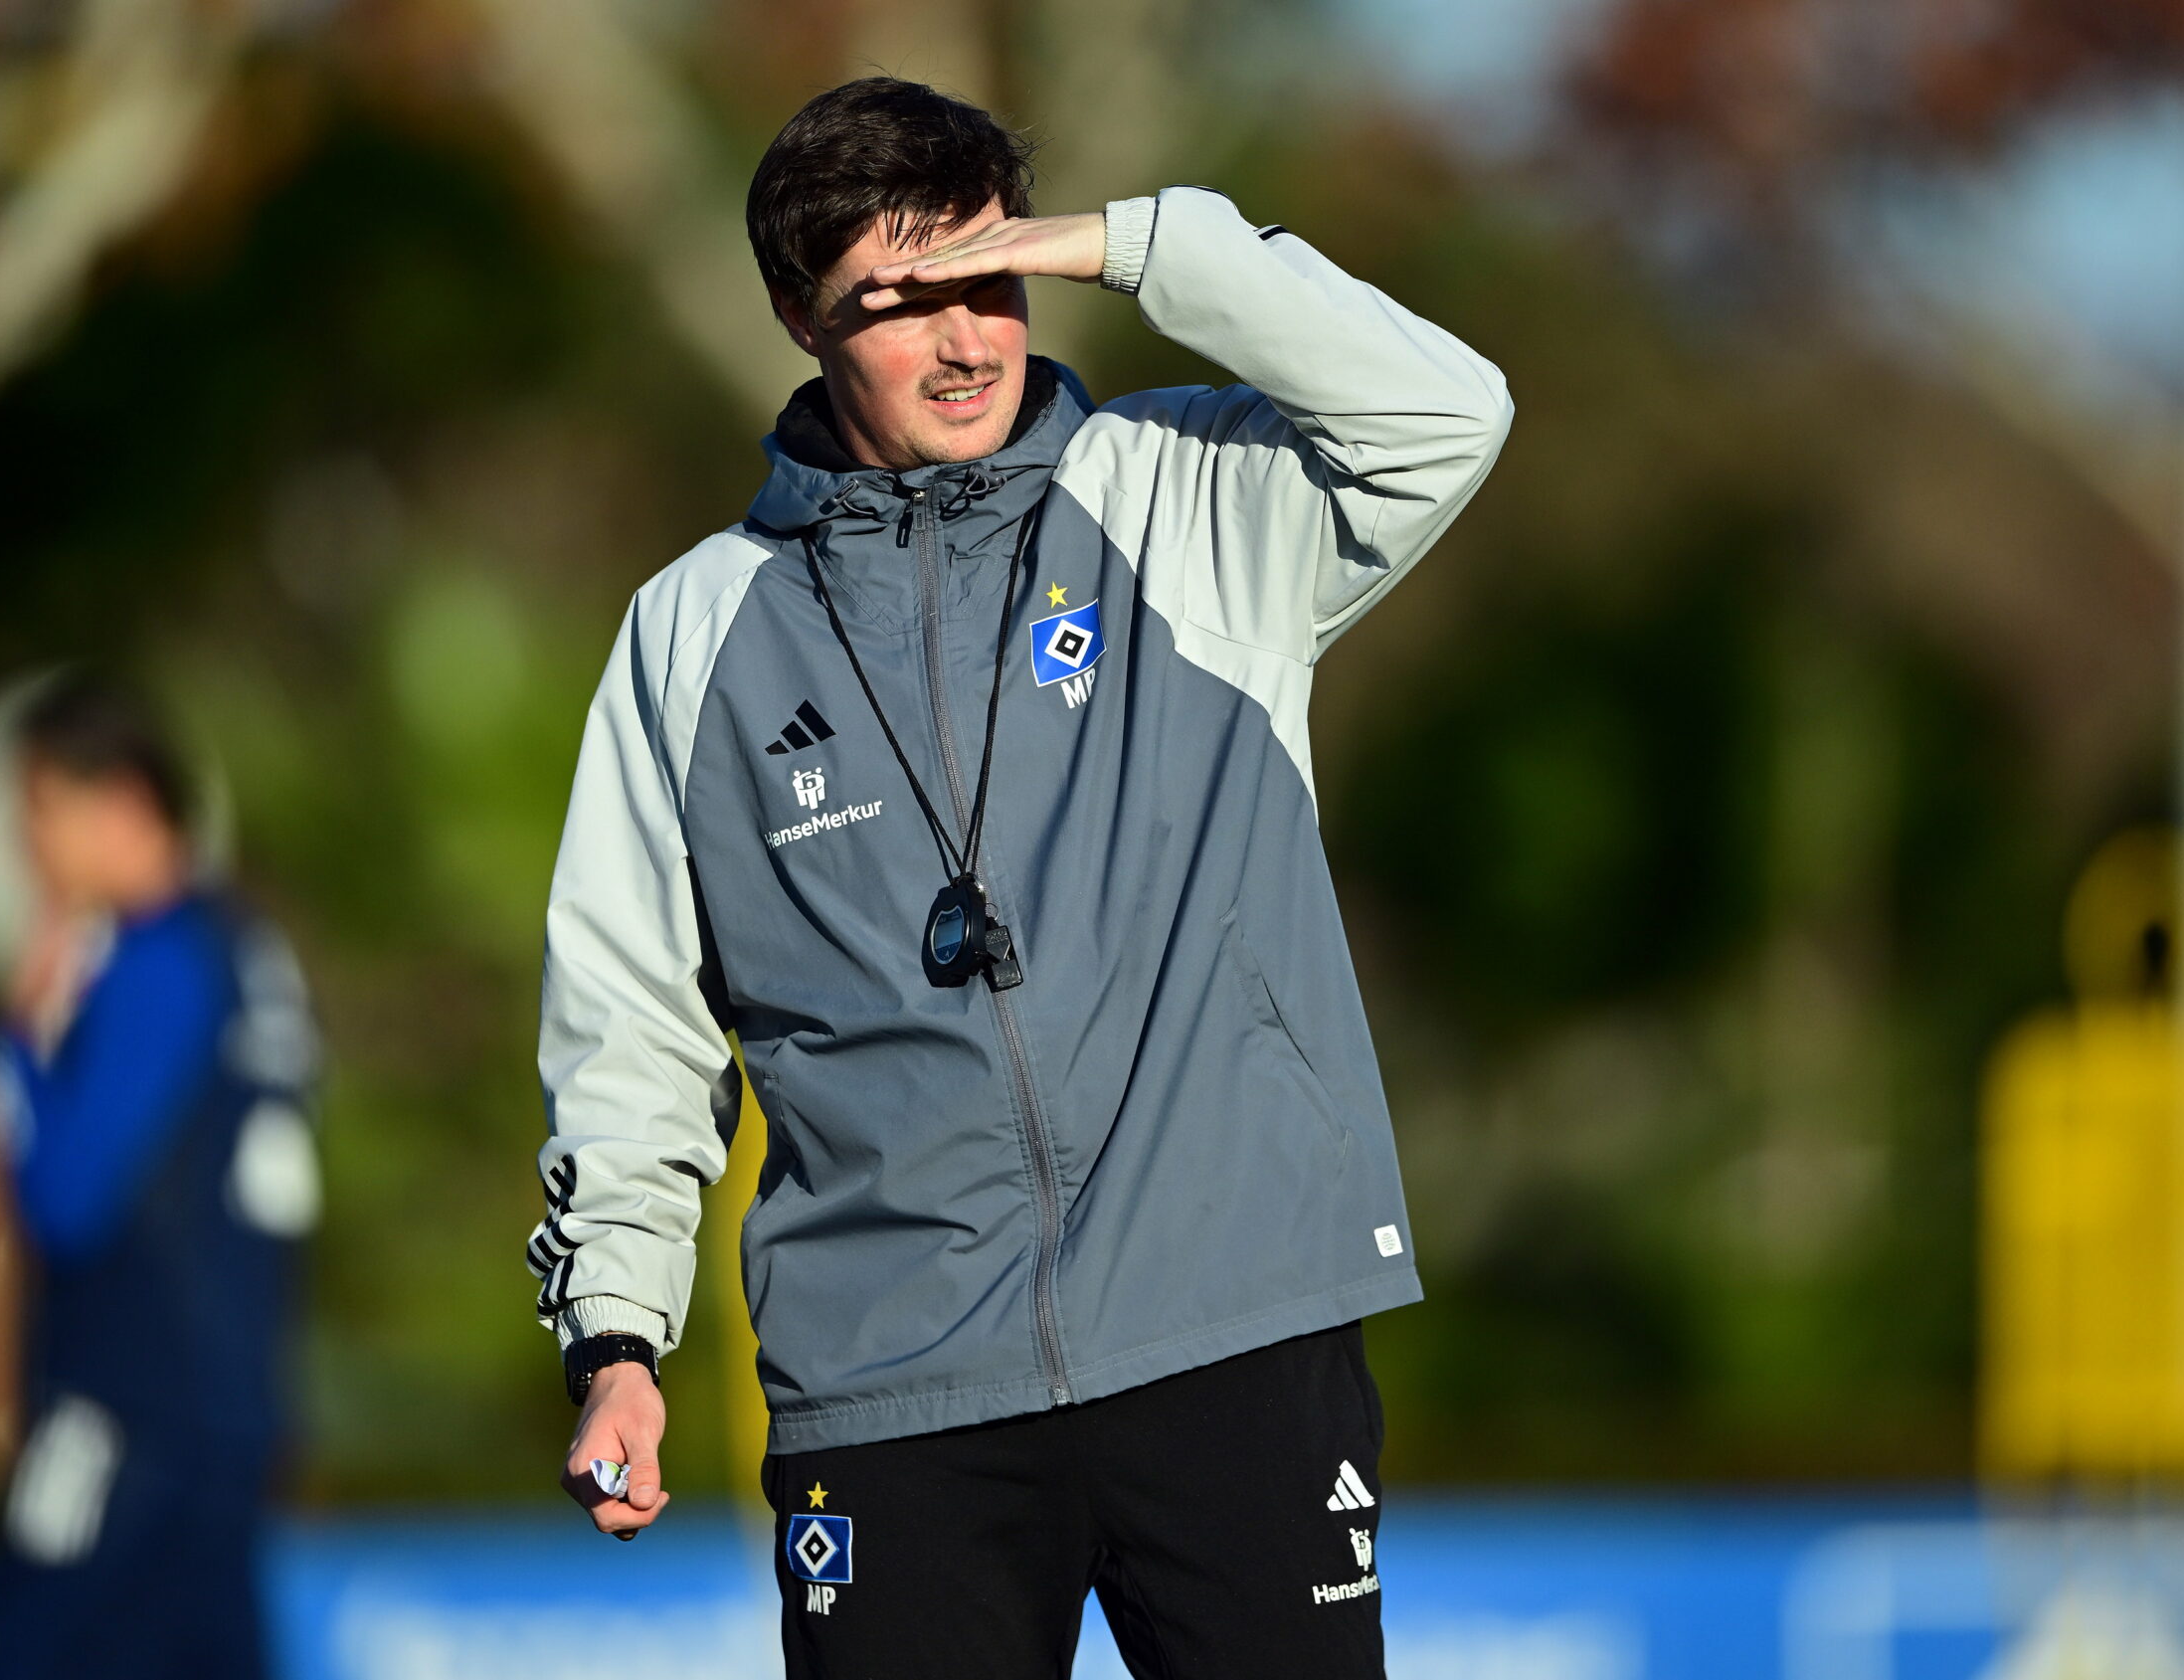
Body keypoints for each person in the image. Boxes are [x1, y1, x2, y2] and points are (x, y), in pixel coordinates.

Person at [532, 76, 1512, 1677]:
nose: (971, 341)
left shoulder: (1190, 500)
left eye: (993, 282)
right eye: (900, 304)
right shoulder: (690, 630)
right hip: (896, 1398)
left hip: (1233, 1338)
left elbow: (1446, 414)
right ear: (796, 313)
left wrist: (1132, 245)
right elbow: (631, 1024)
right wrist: (619, 1340)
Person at [0, 675, 320, 1680]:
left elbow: (67, 1203)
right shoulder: (252, 950)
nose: (19, 846)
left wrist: (18, 1051)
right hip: (229, 1415)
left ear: (117, 800)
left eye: (35, 807)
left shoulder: (157, 966)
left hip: (121, 1413)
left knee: (15, 1653)